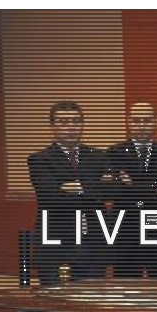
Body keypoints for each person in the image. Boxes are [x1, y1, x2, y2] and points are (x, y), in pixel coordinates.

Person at [28, 100, 113, 287]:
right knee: (55, 300)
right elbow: (50, 197)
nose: (70, 126)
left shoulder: (99, 157)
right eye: (63, 121)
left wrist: (76, 188)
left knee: (92, 298)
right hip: (56, 243)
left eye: (75, 121)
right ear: (52, 126)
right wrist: (94, 188)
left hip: (94, 244)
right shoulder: (39, 160)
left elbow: (112, 191)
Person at [106, 102, 157, 280]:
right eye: (136, 120)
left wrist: (131, 186)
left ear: (155, 122)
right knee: (125, 292)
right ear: (128, 122)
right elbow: (110, 193)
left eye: (146, 120)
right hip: (125, 234)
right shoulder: (114, 153)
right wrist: (156, 187)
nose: (141, 125)